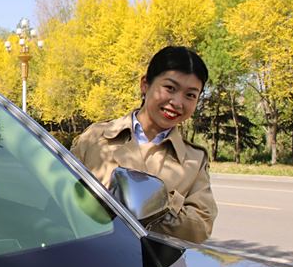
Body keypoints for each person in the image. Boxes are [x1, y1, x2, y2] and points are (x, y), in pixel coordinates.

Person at [70, 46, 217, 243]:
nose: (177, 102)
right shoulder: (96, 138)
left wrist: (159, 205)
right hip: (90, 258)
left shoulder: (194, 159)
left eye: (190, 95)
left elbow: (200, 228)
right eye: (170, 88)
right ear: (145, 84)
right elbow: (62, 198)